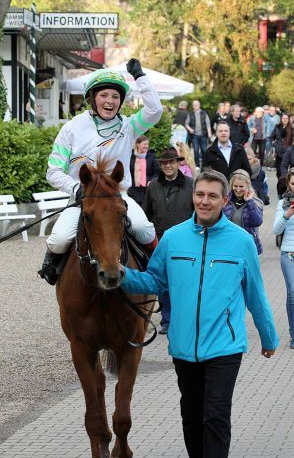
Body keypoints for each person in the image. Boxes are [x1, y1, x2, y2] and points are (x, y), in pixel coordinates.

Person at [121, 169, 278, 458]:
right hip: (183, 347)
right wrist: (119, 275)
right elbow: (154, 281)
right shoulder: (172, 238)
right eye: (200, 194)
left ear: (225, 199)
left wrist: (268, 337)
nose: (205, 201)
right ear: (194, 196)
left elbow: (256, 294)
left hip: (224, 347)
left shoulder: (241, 242)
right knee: (192, 418)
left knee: (215, 417)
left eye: (212, 196)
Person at [38, 59, 163, 285]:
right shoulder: (71, 129)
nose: (110, 101)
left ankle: (160, 273)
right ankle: (51, 266)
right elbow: (53, 171)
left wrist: (140, 77)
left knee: (144, 228)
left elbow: (155, 110)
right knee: (58, 239)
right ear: (92, 98)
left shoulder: (129, 126)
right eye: (104, 95)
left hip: (118, 197)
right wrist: (76, 188)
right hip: (81, 199)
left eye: (116, 97)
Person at [142, 147, 194, 334]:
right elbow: (145, 215)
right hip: (161, 241)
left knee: (184, 282)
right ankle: (167, 320)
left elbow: (198, 213)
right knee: (163, 282)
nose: (168, 166)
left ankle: (184, 318)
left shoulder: (190, 185)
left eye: (171, 162)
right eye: (164, 163)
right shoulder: (153, 186)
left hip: (186, 241)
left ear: (178, 163)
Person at [273, 167, 294, 349]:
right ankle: (293, 334)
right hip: (289, 253)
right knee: (293, 293)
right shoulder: (283, 203)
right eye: (292, 183)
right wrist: (287, 215)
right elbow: (276, 230)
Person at [223, 169, 263, 254]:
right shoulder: (225, 201)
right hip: (228, 244)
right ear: (231, 185)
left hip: (247, 245)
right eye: (235, 186)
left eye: (241, 186)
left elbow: (256, 222)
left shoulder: (256, 202)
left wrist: (250, 202)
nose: (238, 189)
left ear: (247, 186)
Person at [128, 135, 160, 206]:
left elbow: (157, 172)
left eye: (147, 144)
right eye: (144, 144)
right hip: (132, 190)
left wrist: (151, 180)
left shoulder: (152, 156)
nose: (146, 146)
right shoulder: (130, 156)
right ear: (137, 144)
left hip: (146, 191)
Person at [185, 100, 212, 170]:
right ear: (192, 106)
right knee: (196, 150)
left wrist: (209, 132)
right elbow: (186, 124)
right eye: (194, 105)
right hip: (194, 136)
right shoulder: (190, 114)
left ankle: (205, 164)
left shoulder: (204, 113)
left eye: (197, 105)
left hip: (203, 135)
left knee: (204, 150)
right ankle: (197, 165)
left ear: (199, 105)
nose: (195, 106)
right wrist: (190, 129)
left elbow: (208, 123)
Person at [269, 113, 292, 178]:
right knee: (278, 171)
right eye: (284, 118)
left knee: (285, 171)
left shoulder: (291, 128)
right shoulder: (277, 126)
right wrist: (274, 143)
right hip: (278, 152)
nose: (285, 120)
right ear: (281, 119)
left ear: (288, 119)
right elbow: (271, 137)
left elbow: (293, 139)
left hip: (287, 152)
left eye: (287, 118)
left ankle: (285, 183)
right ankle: (280, 183)